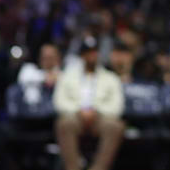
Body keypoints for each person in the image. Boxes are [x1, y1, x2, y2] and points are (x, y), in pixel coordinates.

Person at [54, 36, 125, 170]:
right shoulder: (67, 76)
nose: (92, 56)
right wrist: (80, 111)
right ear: (82, 55)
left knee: (116, 126)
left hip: (101, 117)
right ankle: (73, 167)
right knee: (64, 123)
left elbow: (117, 106)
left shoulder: (111, 77)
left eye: (94, 52)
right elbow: (59, 102)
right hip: (75, 115)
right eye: (88, 52)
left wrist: (95, 110)